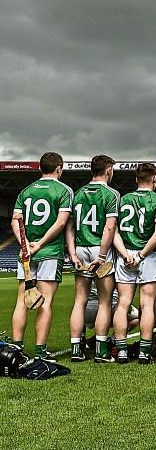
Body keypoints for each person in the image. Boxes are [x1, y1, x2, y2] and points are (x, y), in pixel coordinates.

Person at [10, 151, 73, 359]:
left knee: (21, 301)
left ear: (40, 168)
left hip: (26, 253)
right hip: (49, 252)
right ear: (59, 169)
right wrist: (39, 245)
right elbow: (61, 222)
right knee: (44, 302)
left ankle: (17, 350)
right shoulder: (64, 190)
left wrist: (25, 244)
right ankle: (40, 351)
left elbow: (14, 220)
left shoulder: (26, 191)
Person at [66, 154, 119, 363]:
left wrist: (72, 253)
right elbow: (109, 227)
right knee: (105, 302)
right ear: (107, 170)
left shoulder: (77, 194)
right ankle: (100, 350)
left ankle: (76, 351)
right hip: (99, 249)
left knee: (80, 301)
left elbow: (69, 226)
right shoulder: (111, 194)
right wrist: (102, 255)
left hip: (79, 248)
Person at [112, 162, 156, 364]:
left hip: (124, 256)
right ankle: (144, 352)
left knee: (123, 303)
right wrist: (141, 255)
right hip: (147, 256)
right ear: (154, 178)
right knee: (147, 304)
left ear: (136, 179)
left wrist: (126, 254)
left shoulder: (123, 200)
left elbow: (114, 231)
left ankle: (122, 351)